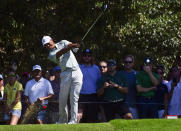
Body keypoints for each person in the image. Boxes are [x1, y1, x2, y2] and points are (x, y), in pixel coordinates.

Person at [42, 36, 83, 124]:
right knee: (62, 98)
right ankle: (62, 120)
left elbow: (73, 47)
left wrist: (76, 45)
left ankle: (73, 120)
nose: (48, 46)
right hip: (65, 73)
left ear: (52, 40)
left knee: (74, 98)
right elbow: (59, 53)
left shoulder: (63, 42)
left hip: (77, 72)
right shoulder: (50, 55)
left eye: (48, 43)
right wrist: (71, 46)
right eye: (46, 45)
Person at [78, 48, 101, 123]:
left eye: (89, 55)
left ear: (91, 57)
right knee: (79, 117)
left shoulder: (96, 68)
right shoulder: (78, 67)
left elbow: (99, 82)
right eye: (85, 55)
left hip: (93, 96)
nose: (87, 57)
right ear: (82, 56)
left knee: (91, 118)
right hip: (81, 95)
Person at [119, 55, 138, 119]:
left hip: (133, 105)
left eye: (130, 62)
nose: (128, 63)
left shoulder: (137, 74)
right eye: (126, 62)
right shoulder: (119, 74)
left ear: (133, 63)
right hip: (120, 106)